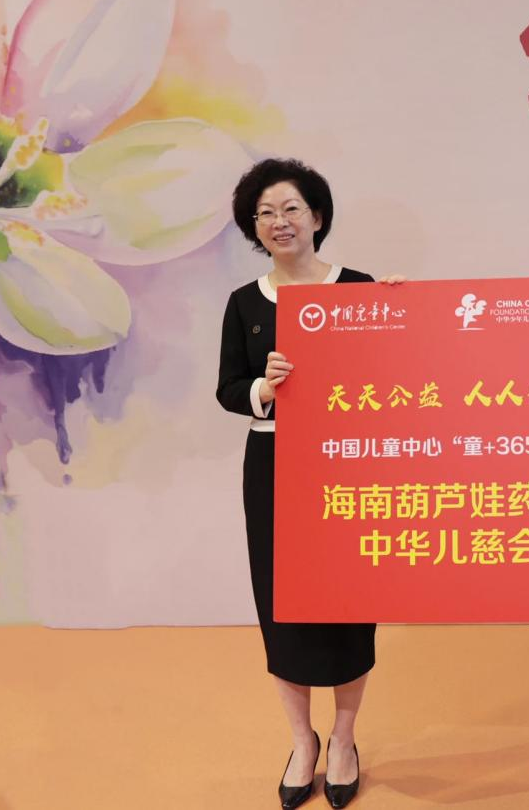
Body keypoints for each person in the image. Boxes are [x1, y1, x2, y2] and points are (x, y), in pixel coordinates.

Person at [217, 158, 400, 809]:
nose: (279, 221)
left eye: (291, 208)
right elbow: (228, 389)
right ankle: (302, 741)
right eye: (265, 213)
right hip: (273, 465)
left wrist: (405, 313)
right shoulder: (244, 302)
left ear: (317, 216)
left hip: (345, 464)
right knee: (282, 605)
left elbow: (395, 373)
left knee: (349, 602)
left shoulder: (359, 288)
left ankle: (344, 740)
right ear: (254, 228)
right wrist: (263, 388)